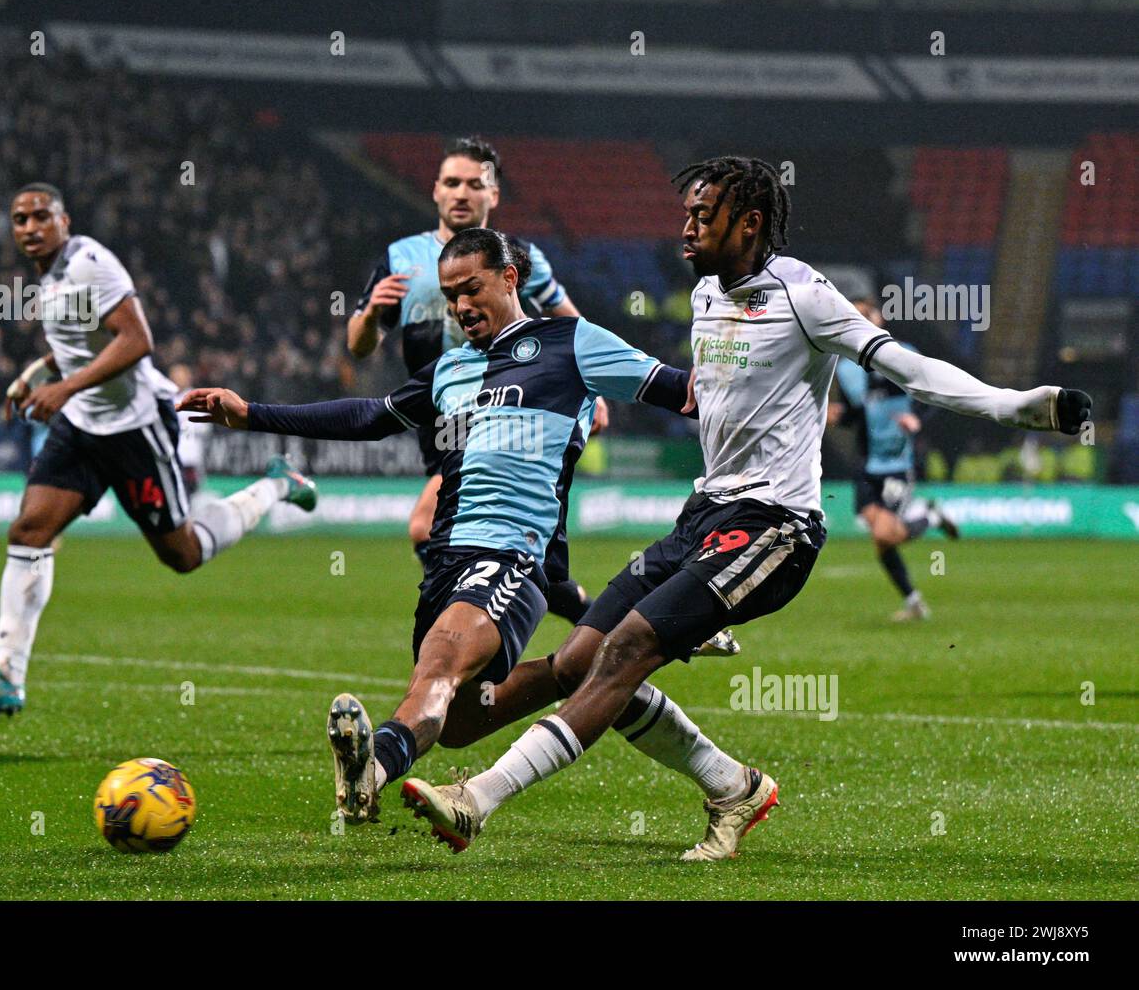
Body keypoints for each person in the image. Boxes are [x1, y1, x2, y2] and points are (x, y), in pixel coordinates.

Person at [401, 156, 1092, 859]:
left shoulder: (805, 294)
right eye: (687, 215)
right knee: (581, 658)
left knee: (630, 649)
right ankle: (732, 785)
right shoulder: (706, 296)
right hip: (702, 515)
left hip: (777, 526)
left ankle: (477, 798)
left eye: (703, 216)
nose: (687, 228)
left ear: (750, 223)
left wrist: (1015, 406)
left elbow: (903, 367)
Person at [178, 228, 706, 828]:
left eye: (472, 289)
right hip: (445, 560)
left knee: (435, 675)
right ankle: (583, 664)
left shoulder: (572, 343)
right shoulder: (450, 368)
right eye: (451, 295)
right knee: (456, 722)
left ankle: (367, 770)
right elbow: (370, 416)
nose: (460, 307)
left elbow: (681, 390)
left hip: (510, 556)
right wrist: (252, 414)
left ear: (511, 279)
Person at [0, 184, 317, 716]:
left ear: (64, 219)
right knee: (29, 530)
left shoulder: (91, 263)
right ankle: (7, 675)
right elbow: (78, 340)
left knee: (181, 554)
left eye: (40, 216)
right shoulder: (46, 279)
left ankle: (278, 483)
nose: (29, 227)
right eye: (19, 219)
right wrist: (36, 373)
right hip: (83, 428)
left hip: (135, 427)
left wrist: (65, 388)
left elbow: (137, 339)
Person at [347, 136, 605, 625]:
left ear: (494, 196)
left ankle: (461, 627)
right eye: (451, 182)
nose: (461, 193)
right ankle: (608, 628)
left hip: (502, 411)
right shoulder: (403, 257)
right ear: (435, 192)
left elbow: (571, 325)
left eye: (474, 183)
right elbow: (359, 345)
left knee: (429, 526)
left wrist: (592, 381)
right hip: (438, 421)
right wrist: (372, 312)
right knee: (525, 560)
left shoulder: (517, 258)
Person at [831, 296, 959, 621]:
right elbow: (859, 415)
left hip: (897, 464)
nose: (858, 322)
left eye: (865, 315)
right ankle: (914, 603)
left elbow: (933, 395)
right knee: (882, 543)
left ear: (880, 321)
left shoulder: (904, 355)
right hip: (866, 466)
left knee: (884, 535)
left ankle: (929, 515)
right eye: (853, 317)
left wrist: (919, 420)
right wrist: (840, 416)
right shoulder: (846, 369)